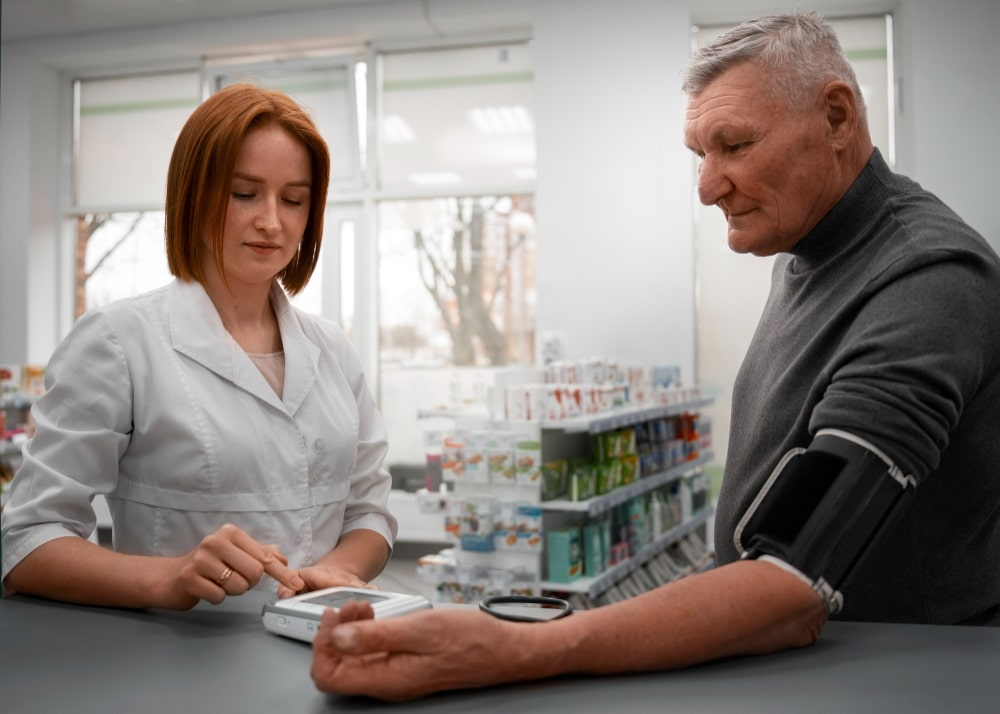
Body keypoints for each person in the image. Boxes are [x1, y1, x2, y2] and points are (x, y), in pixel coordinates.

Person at [307, 12, 1000, 701]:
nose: (706, 186)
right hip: (816, 668)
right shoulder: (809, 255)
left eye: (734, 145)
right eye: (700, 154)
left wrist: (517, 649)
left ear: (838, 117)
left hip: (904, 679)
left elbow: (793, 578)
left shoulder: (926, 282)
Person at [0, 83, 397, 610]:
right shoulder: (119, 341)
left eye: (294, 200)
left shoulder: (332, 349)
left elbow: (369, 512)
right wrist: (169, 578)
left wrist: (336, 571)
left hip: (322, 645)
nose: (272, 221)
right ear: (194, 193)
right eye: (243, 193)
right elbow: (27, 541)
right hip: (179, 660)